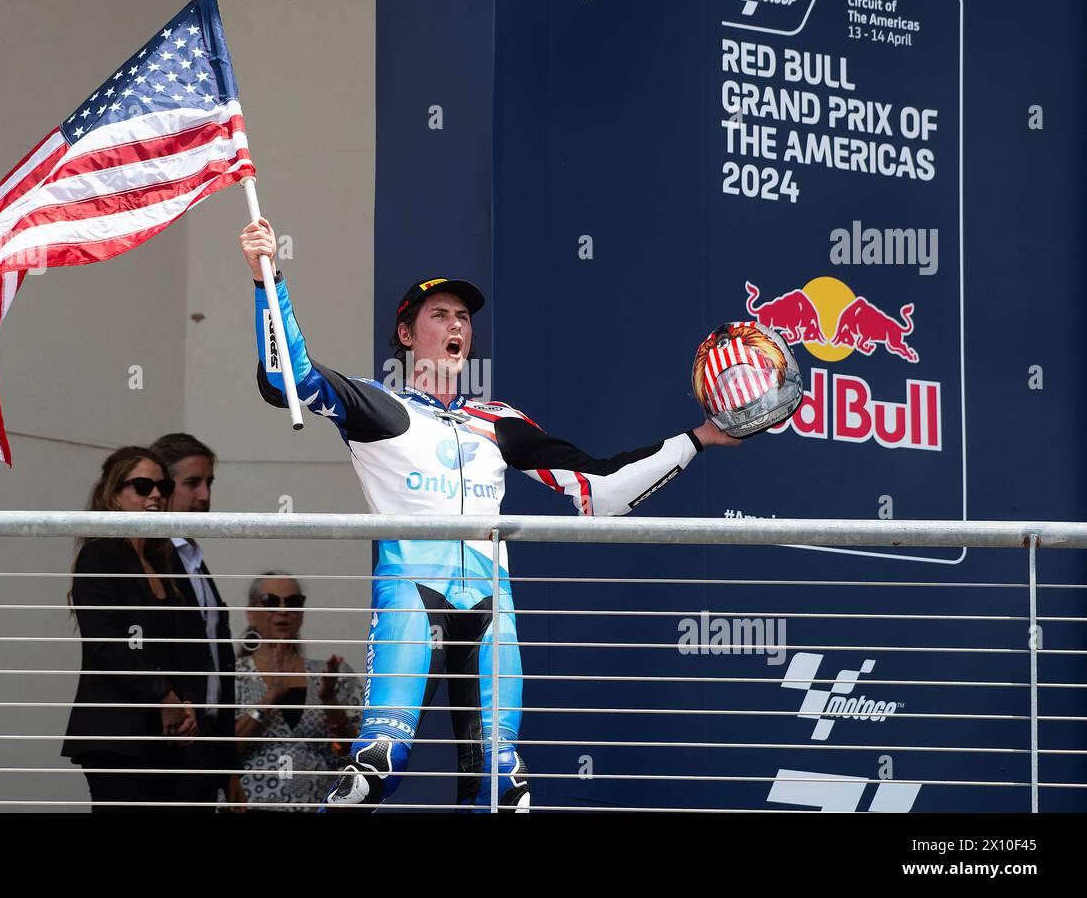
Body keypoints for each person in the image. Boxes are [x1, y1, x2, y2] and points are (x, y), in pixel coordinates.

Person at [239, 217, 740, 811]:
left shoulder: (500, 420)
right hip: (411, 594)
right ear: (406, 333)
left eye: (463, 318)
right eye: (438, 315)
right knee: (373, 772)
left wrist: (700, 437)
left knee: (505, 788)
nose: (456, 325)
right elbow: (286, 379)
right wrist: (267, 277)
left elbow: (601, 493)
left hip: (490, 601)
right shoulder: (377, 405)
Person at [61, 447, 212, 811]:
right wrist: (163, 696)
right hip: (116, 732)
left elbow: (190, 644)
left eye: (161, 485)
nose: (156, 494)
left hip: (165, 735)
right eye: (142, 486)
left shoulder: (164, 559)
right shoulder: (100, 555)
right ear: (113, 495)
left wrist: (186, 700)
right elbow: (106, 644)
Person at [149, 432, 237, 810]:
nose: (204, 496)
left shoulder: (193, 559)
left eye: (209, 483)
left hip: (207, 743)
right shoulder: (147, 559)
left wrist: (228, 763)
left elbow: (216, 659)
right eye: (192, 483)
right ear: (161, 488)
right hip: (164, 742)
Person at [232, 573, 362, 811]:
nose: (283, 610)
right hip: (251, 805)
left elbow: (356, 753)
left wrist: (330, 703)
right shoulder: (232, 675)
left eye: (292, 602)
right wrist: (271, 697)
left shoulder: (332, 674)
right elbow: (219, 751)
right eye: (271, 601)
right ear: (251, 612)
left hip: (318, 804)